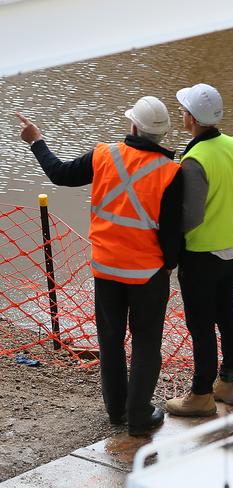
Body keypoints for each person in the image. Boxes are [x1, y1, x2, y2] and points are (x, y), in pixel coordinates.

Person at [16, 96, 183, 436]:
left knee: (110, 339)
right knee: (147, 342)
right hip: (147, 273)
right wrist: (170, 264)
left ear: (133, 125)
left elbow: (60, 174)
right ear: (162, 135)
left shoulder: (104, 154)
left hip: (106, 269)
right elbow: (172, 231)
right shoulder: (171, 172)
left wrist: (36, 140)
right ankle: (139, 416)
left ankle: (117, 411)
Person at [166, 83, 233, 417]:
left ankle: (201, 394)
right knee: (228, 314)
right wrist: (224, 207)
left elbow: (190, 217)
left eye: (183, 110)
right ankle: (229, 384)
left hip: (201, 255)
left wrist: (168, 245)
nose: (181, 114)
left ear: (191, 118)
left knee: (201, 325)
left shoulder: (194, 159)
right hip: (231, 249)